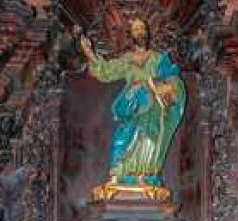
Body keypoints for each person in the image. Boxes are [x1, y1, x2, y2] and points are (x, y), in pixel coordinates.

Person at [76, 18, 185, 199]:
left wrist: (160, 86)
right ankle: (120, 174)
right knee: (122, 138)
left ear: (147, 33)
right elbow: (105, 71)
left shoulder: (159, 59)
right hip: (132, 105)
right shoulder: (127, 60)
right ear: (131, 35)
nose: (140, 32)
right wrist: (89, 52)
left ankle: (146, 175)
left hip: (152, 109)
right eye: (136, 29)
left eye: (142, 28)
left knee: (148, 139)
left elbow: (173, 81)